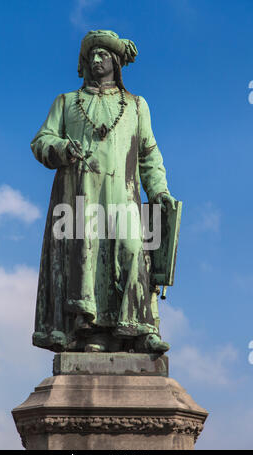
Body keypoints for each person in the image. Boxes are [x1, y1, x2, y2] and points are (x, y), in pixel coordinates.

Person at [30, 30, 176, 353]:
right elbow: (40, 141)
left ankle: (141, 327)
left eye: (104, 54)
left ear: (116, 62)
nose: (96, 60)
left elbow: (149, 156)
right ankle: (91, 333)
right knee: (87, 261)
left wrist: (160, 192)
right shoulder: (66, 103)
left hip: (124, 197)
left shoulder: (137, 106)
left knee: (135, 249)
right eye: (91, 55)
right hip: (81, 198)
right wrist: (61, 148)